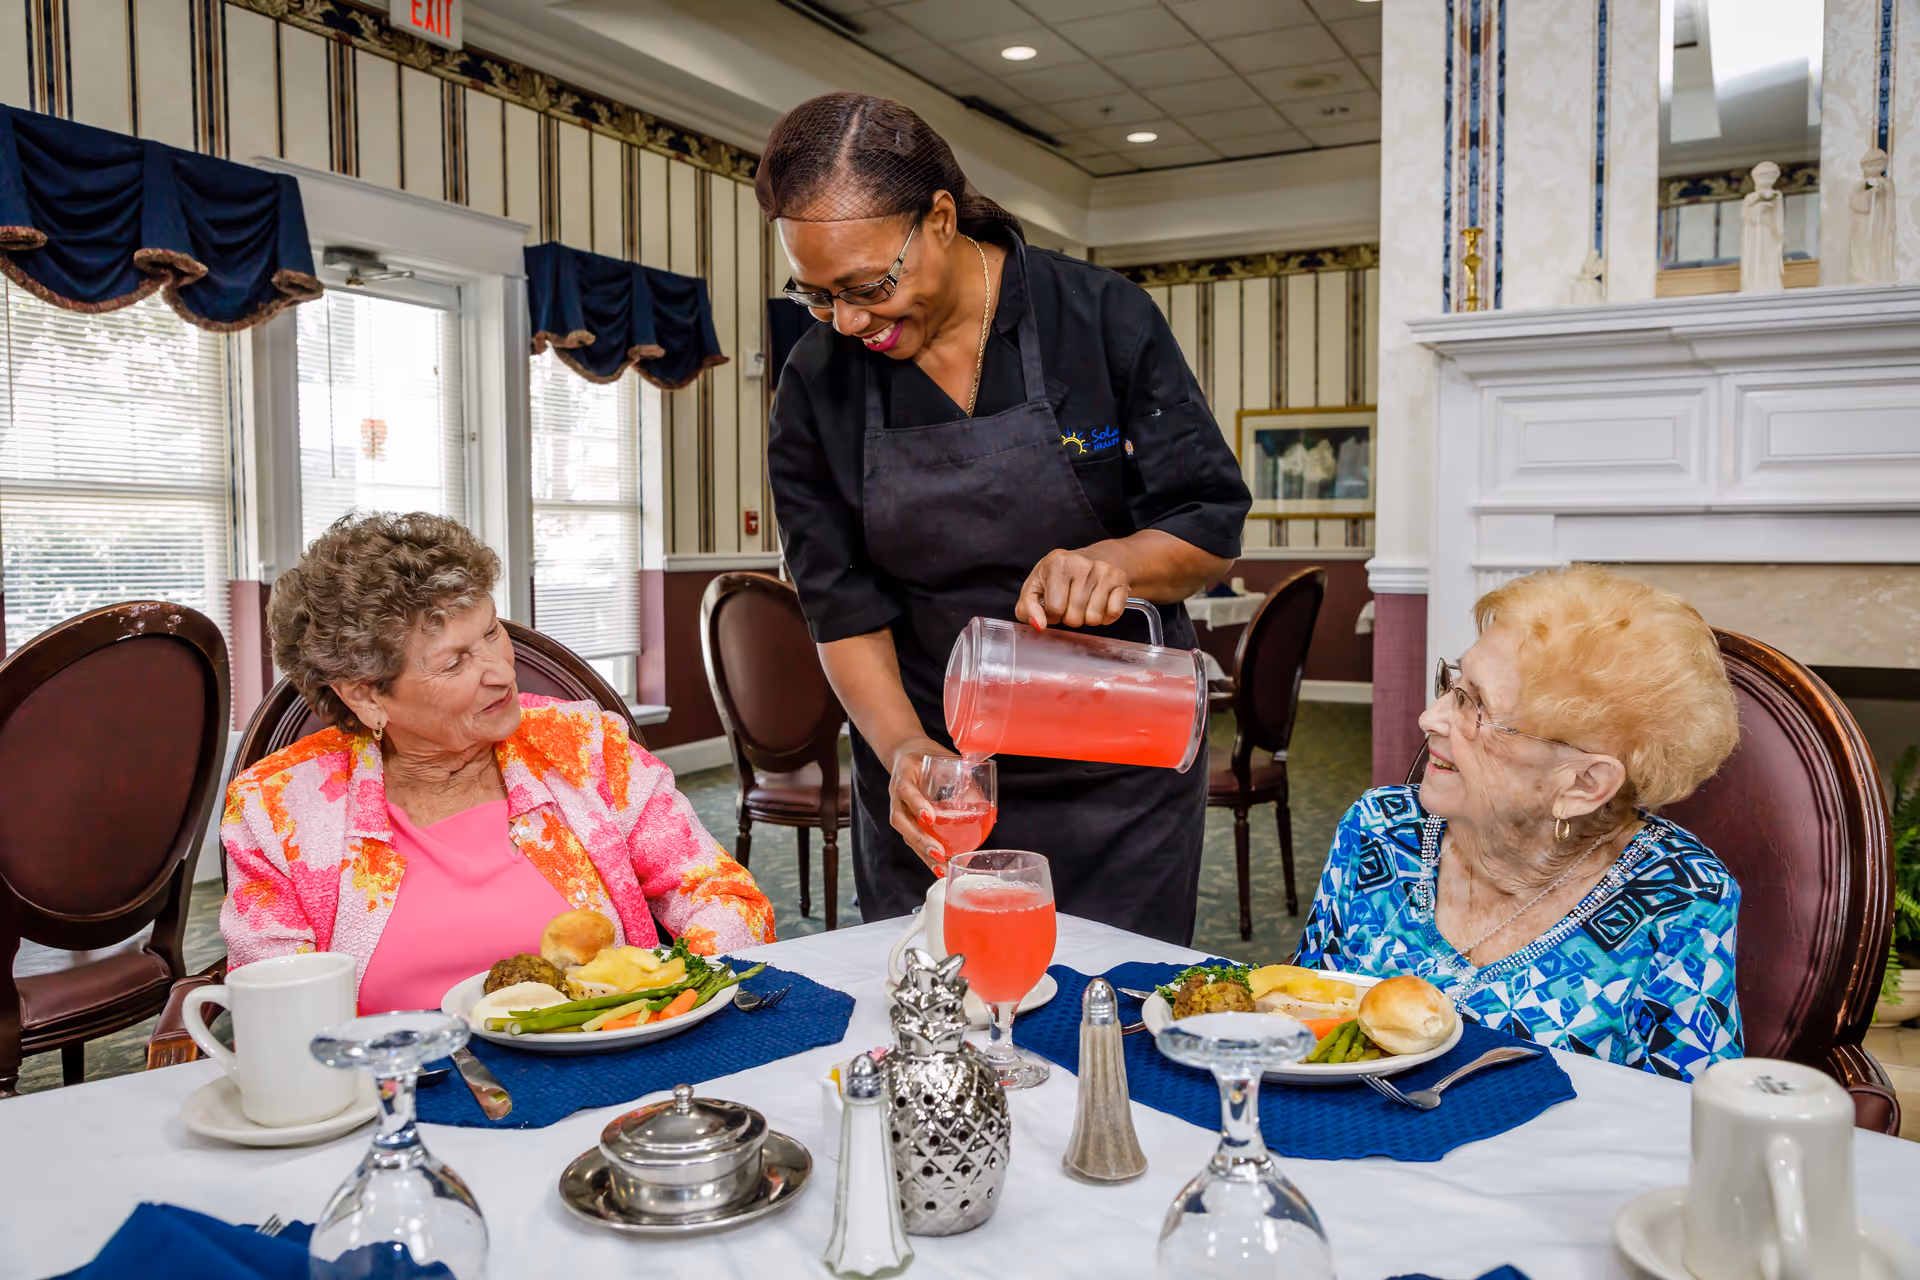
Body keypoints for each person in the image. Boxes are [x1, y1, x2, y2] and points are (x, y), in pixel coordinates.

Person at [761, 93, 1250, 944]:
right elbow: (841, 606)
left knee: (1110, 1021)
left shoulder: (1097, 320)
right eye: (817, 296)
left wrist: (1117, 563)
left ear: (940, 219)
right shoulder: (818, 382)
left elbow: (1207, 521)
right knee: (942, 1024)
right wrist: (906, 750)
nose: (848, 321)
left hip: (1119, 765)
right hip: (939, 774)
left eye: (869, 285)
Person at [220, 512, 775, 1012]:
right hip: (398, 1096)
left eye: (491, 632)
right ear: (365, 695)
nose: (502, 672)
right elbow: (273, 1000)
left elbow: (722, 896)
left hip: (607, 1061)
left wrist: (664, 1000)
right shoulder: (279, 808)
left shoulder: (581, 747)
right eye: (455, 661)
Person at [1295, 565, 1743, 1080]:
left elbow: (1688, 1119)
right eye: (1454, 684)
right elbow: (1302, 1019)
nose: (1431, 718)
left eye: (1476, 706)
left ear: (1582, 785)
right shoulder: (1379, 830)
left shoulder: (1680, 901)